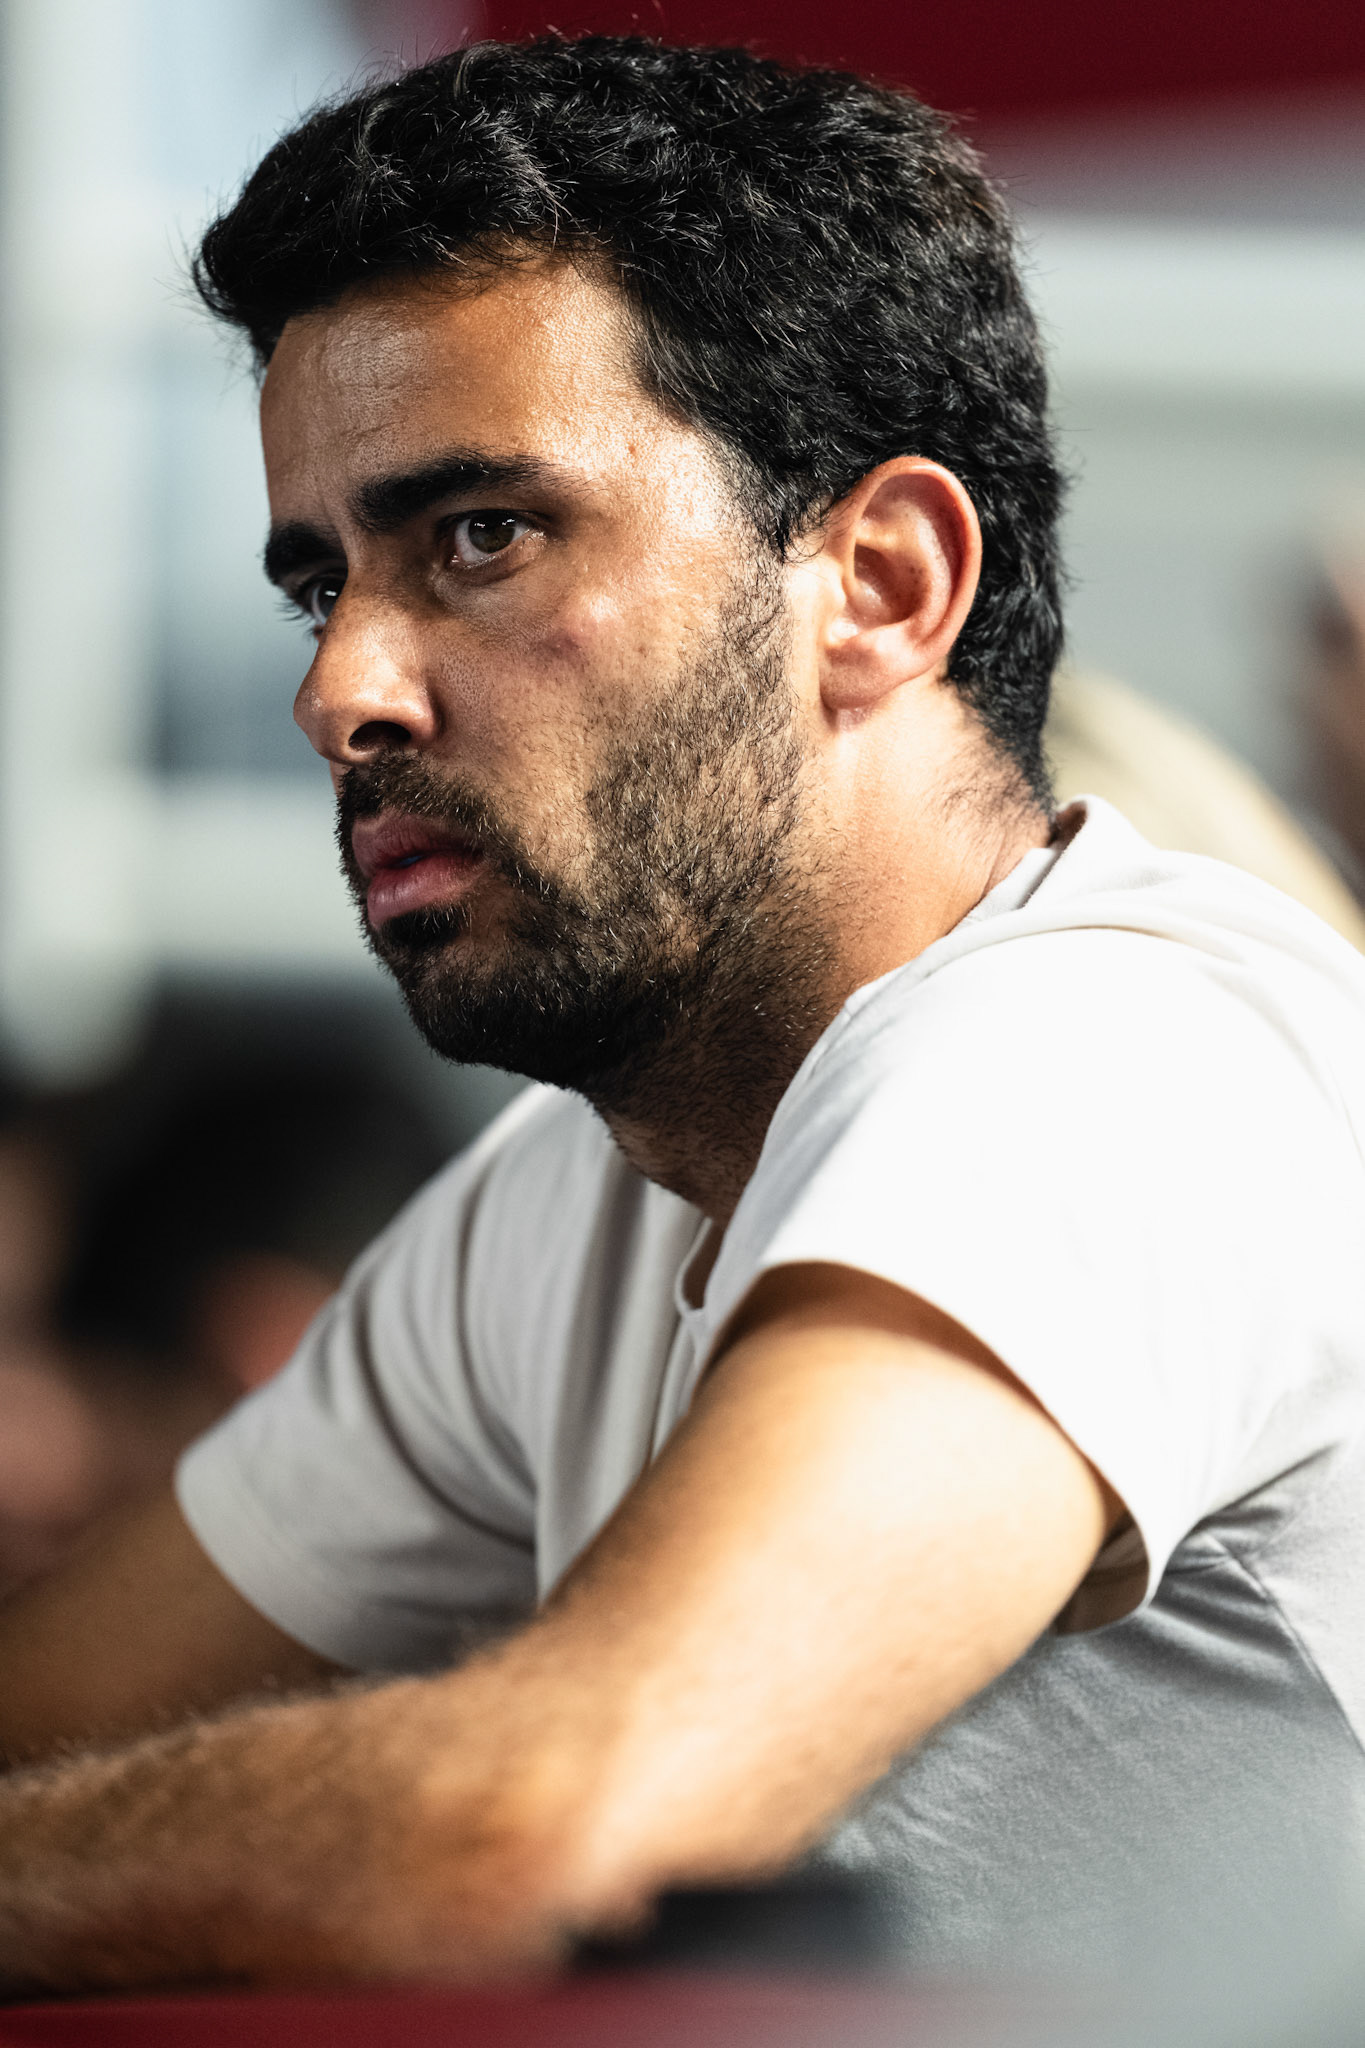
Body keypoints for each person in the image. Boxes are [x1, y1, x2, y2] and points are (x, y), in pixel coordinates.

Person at [1, 35, 1364, 1998]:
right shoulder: (571, 1192)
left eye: (481, 537)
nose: (343, 690)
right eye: (324, 581)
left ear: (877, 586)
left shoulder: (1110, 1059)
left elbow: (547, 1823)